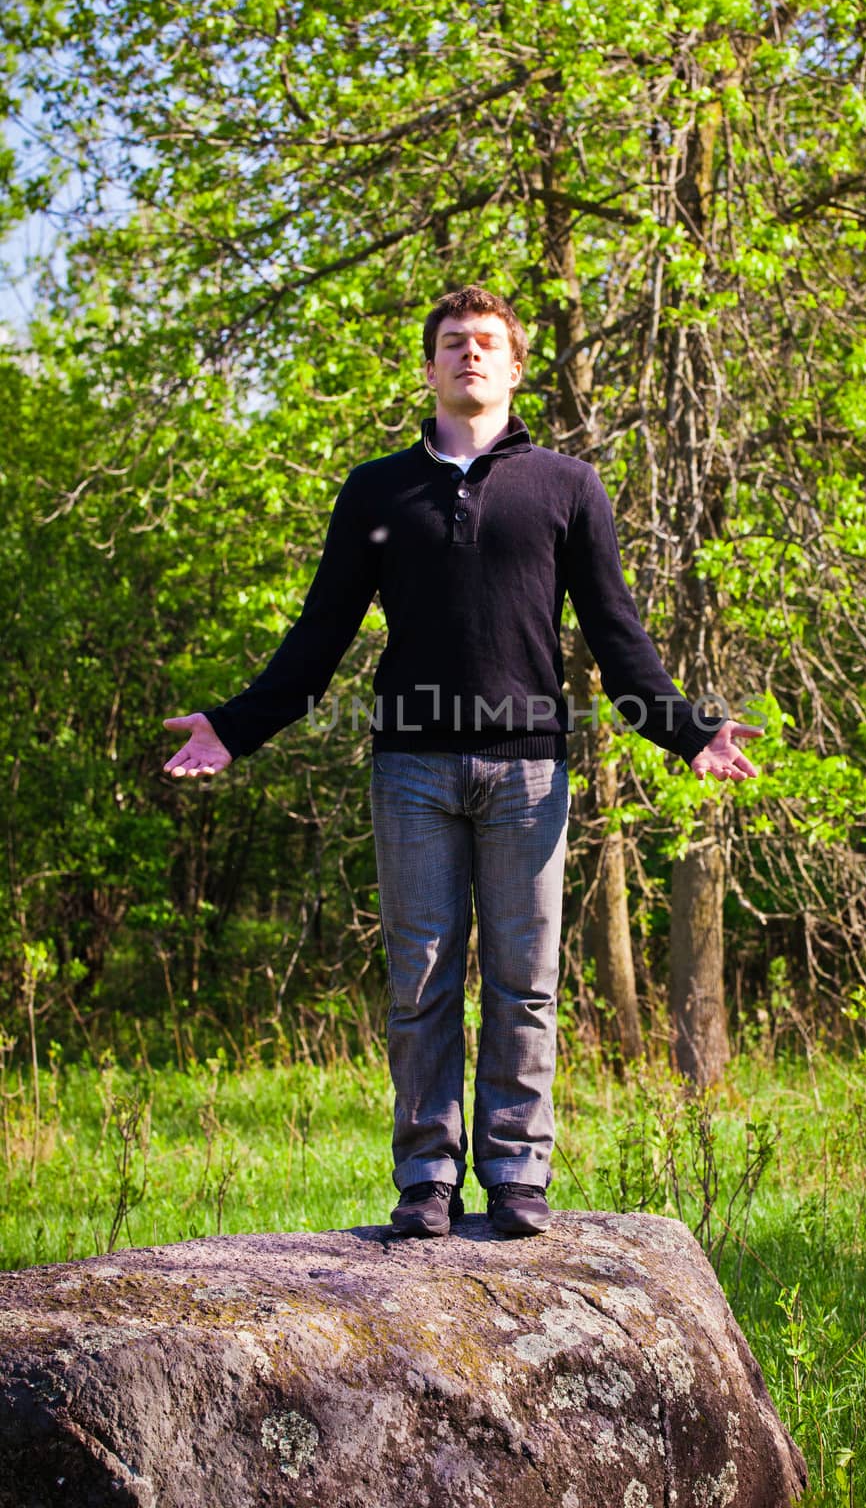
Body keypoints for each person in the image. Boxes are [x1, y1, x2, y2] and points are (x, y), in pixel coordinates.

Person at [163, 285, 761, 1240]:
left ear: (515, 367)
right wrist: (235, 727)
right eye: (453, 343)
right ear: (430, 367)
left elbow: (615, 637)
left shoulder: (566, 486)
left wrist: (688, 731)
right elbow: (319, 636)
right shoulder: (376, 491)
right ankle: (427, 1177)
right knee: (423, 983)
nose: (469, 355)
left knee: (525, 982)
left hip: (529, 774)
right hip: (411, 770)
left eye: (487, 343)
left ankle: (518, 1172)